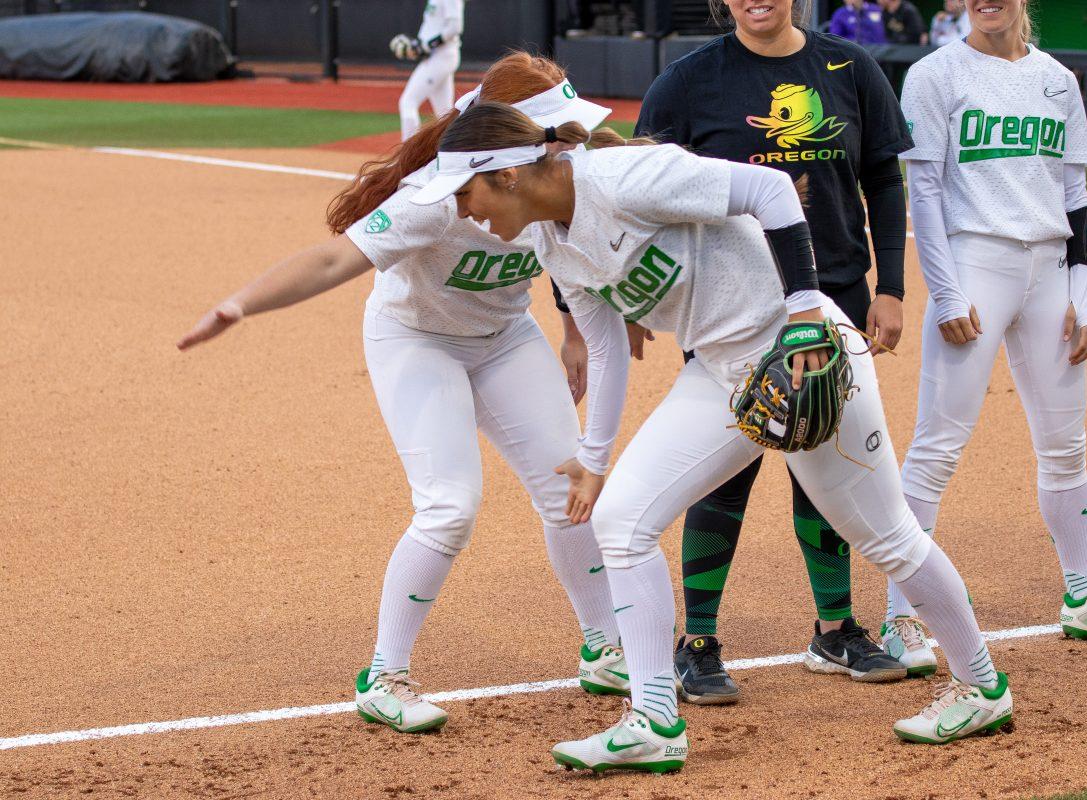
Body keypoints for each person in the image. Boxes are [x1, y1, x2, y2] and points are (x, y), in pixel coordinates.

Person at [416, 102, 1016, 770]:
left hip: (804, 351)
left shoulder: (622, 177)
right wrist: (593, 458)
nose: (464, 212)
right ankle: (652, 721)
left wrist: (804, 315)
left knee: (884, 535)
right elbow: (608, 345)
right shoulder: (547, 240)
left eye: (465, 193)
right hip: (723, 373)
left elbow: (771, 190)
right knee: (620, 520)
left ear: (503, 175)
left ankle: (983, 686)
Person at [177, 52, 633, 734]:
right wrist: (239, 306)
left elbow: (568, 245)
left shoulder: (559, 174)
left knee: (571, 485)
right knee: (450, 507)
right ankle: (384, 675)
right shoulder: (434, 199)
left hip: (505, 337)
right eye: (561, 131)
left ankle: (605, 648)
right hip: (417, 340)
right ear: (512, 144)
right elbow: (336, 257)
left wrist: (571, 330)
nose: (575, 141)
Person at [635, 0, 914, 697]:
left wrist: (893, 286)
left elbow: (881, 175)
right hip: (734, 310)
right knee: (723, 468)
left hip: (836, 297)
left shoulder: (849, 67)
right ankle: (697, 642)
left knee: (824, 457)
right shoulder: (688, 81)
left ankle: (835, 630)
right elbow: (642, 191)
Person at [889, 0, 1087, 657]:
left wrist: (1085, 294)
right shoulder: (933, 74)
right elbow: (921, 190)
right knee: (936, 449)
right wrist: (947, 293)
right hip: (976, 263)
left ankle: (1084, 593)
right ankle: (900, 618)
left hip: (1051, 272)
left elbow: (1076, 197)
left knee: (1065, 445)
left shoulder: (1058, 80)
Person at [392, 0, 466, 141]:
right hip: (435, 57)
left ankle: (408, 156)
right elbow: (433, 26)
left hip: (441, 57)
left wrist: (425, 46)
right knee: (444, 115)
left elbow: (455, 27)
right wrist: (417, 46)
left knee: (408, 102)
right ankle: (450, 154)